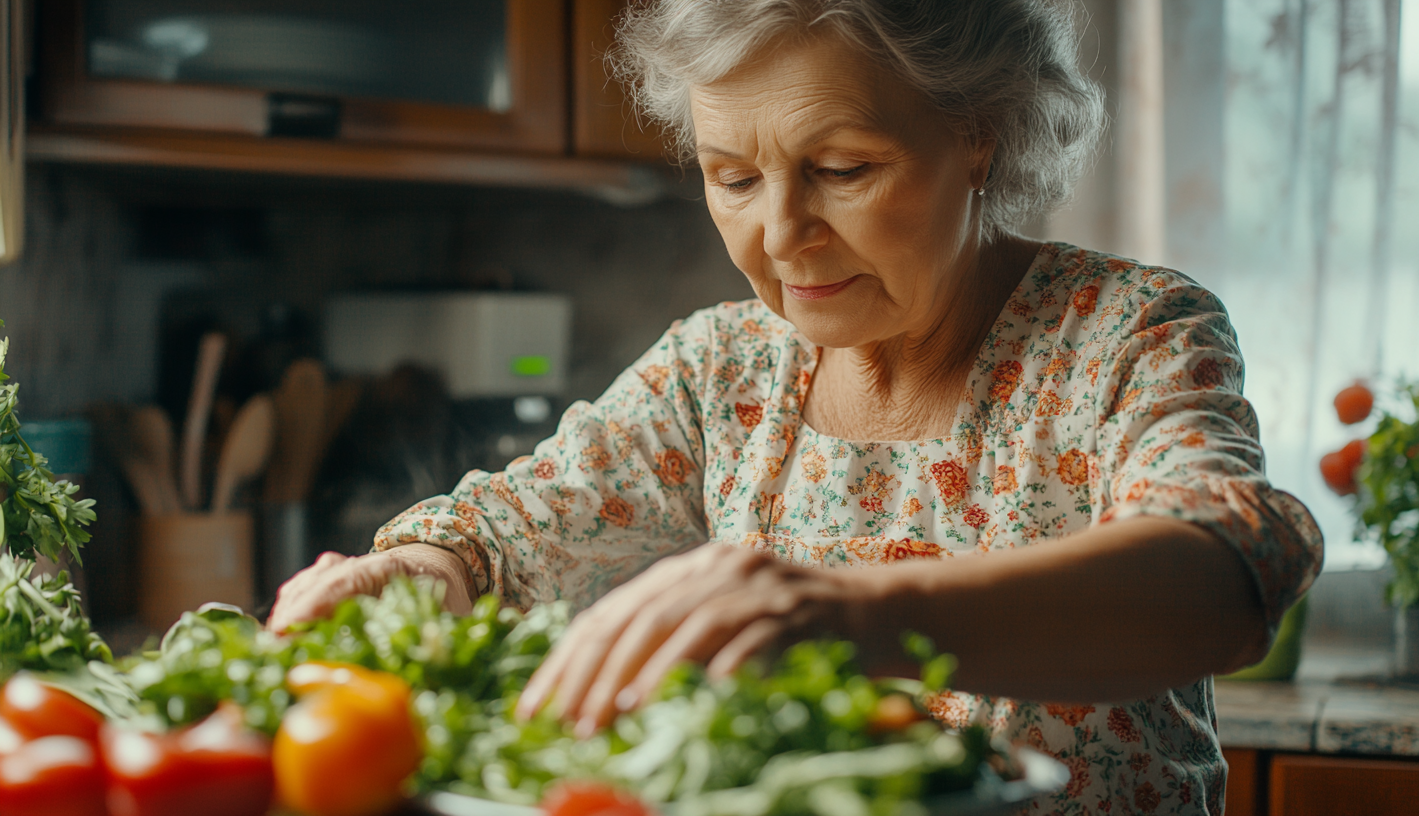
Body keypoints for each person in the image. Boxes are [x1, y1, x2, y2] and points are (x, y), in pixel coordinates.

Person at [268, 2, 1322, 813]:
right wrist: (424, 569)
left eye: (842, 169)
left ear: (981, 134)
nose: (779, 234)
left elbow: (1220, 576)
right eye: (733, 177)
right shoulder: (721, 371)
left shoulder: (1123, 332)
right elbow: (508, 533)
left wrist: (851, 616)